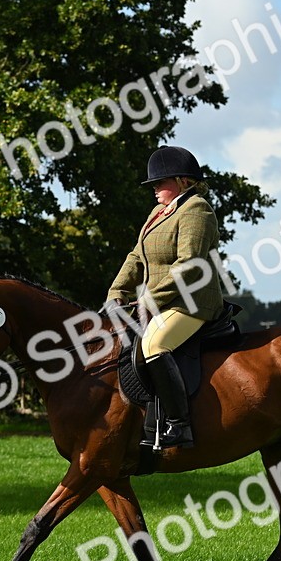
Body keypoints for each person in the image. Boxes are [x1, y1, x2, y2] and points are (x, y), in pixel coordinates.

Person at [105, 146, 225, 448]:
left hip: (192, 303)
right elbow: (136, 256)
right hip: (162, 302)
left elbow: (190, 266)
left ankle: (178, 426)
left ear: (184, 181)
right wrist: (117, 291)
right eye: (154, 185)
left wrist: (149, 299)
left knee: (154, 344)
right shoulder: (159, 213)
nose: (155, 189)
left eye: (161, 182)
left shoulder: (197, 209)